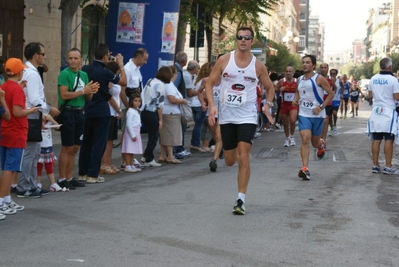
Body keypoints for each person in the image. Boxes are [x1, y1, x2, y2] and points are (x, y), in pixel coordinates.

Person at [205, 26, 275, 215]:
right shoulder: (224, 60)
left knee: (244, 154)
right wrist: (212, 105)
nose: (243, 40)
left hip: (247, 115)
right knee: (229, 160)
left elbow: (270, 88)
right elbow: (209, 84)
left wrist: (267, 104)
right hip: (227, 116)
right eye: (239, 37)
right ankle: (239, 155)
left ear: (252, 41)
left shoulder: (258, 65)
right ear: (236, 40)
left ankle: (240, 199)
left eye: (247, 37)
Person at [78, 43, 127, 184]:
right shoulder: (105, 72)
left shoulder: (86, 69)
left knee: (87, 142)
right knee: (99, 143)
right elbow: (124, 81)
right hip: (101, 109)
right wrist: (121, 65)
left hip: (88, 108)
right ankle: (93, 174)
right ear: (105, 57)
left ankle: (82, 172)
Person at [17, 42, 60, 198]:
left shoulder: (26, 70)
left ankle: (32, 185)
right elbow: (35, 98)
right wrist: (49, 109)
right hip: (31, 115)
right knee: (30, 152)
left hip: (31, 114)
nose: (45, 57)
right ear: (36, 56)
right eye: (43, 54)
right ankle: (24, 186)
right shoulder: (32, 73)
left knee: (34, 152)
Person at [0, 58, 38, 218]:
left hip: (5, 131)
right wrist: (31, 110)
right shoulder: (15, 89)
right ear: (20, 72)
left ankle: (7, 198)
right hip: (16, 132)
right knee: (11, 168)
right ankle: (1, 201)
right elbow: (16, 112)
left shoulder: (4, 86)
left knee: (7, 167)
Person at [57, 48, 99, 190]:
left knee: (75, 147)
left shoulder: (84, 75)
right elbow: (64, 95)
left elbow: (88, 97)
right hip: (68, 112)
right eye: (70, 58)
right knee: (67, 147)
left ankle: (69, 177)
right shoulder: (64, 74)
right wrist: (83, 91)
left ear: (81, 60)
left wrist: (90, 91)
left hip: (80, 112)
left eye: (76, 58)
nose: (73, 61)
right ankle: (62, 178)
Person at [292, 55, 334, 181]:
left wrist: (321, 107)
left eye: (308, 62)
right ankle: (305, 168)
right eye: (303, 62)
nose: (305, 64)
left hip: (317, 115)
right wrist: (295, 100)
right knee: (305, 139)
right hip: (304, 114)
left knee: (315, 143)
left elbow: (331, 94)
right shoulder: (299, 79)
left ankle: (321, 144)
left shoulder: (319, 78)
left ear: (313, 65)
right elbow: (297, 92)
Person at [367, 57, 399, 174]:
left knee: (376, 139)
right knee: (389, 140)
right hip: (388, 112)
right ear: (390, 67)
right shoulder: (393, 80)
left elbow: (370, 96)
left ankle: (375, 165)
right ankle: (388, 166)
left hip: (376, 112)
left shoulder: (373, 78)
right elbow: (397, 97)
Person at [120, 48, 148, 170]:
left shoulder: (137, 69)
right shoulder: (128, 69)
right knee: (127, 132)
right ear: (138, 57)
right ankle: (125, 160)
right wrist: (128, 107)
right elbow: (123, 91)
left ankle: (130, 159)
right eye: (145, 59)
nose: (146, 62)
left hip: (135, 107)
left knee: (134, 132)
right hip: (129, 106)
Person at [140, 66, 169, 167]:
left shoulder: (150, 80)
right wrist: (160, 120)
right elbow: (160, 105)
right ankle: (149, 158)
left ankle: (146, 155)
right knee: (154, 136)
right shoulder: (161, 86)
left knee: (151, 135)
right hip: (152, 112)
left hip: (144, 110)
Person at [158, 65, 186, 164]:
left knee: (165, 135)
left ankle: (162, 155)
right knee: (171, 135)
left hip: (167, 112)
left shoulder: (166, 84)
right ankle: (170, 156)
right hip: (171, 113)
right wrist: (182, 101)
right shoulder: (169, 84)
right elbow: (172, 99)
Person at [100, 61, 124, 175]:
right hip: (109, 111)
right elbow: (110, 97)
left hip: (114, 112)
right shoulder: (110, 81)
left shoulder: (117, 79)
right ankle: (104, 164)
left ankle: (108, 162)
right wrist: (119, 110)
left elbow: (124, 83)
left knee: (111, 141)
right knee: (107, 140)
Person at [37, 115, 63, 192]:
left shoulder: (49, 122)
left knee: (50, 166)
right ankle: (37, 183)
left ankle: (53, 183)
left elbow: (57, 127)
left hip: (48, 147)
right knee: (38, 166)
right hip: (39, 147)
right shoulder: (37, 122)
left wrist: (51, 119)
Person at [173, 51, 191, 159]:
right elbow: (174, 87)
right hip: (177, 104)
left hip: (175, 103)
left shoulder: (173, 69)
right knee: (181, 127)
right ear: (184, 61)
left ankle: (177, 148)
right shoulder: (178, 72)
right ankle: (179, 149)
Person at [275, 66, 298, 147]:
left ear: (293, 73)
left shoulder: (297, 81)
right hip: (284, 105)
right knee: (285, 123)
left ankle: (292, 137)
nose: (288, 73)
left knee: (292, 120)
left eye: (290, 71)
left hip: (293, 105)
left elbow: (301, 90)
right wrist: (279, 89)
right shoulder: (282, 81)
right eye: (286, 71)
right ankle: (287, 138)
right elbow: (274, 89)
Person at [121, 93, 143, 172]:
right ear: (131, 101)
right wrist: (132, 135)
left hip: (136, 131)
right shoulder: (130, 111)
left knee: (132, 150)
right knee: (129, 150)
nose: (137, 103)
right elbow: (128, 124)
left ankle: (131, 164)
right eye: (135, 101)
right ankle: (128, 165)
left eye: (139, 101)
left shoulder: (136, 111)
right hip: (131, 133)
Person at [190, 62, 209, 152]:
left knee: (197, 125)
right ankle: (196, 144)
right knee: (200, 126)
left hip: (193, 104)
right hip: (200, 104)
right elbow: (204, 93)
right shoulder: (205, 81)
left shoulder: (196, 79)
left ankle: (194, 143)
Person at [319, 63, 336, 146]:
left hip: (327, 102)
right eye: (321, 68)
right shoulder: (316, 78)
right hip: (318, 102)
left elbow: (334, 87)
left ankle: (323, 140)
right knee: (319, 122)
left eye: (325, 67)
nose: (323, 69)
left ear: (327, 69)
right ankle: (318, 137)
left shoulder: (331, 79)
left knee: (326, 120)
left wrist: (333, 93)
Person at [329, 69, 341, 135]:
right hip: (329, 100)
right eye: (331, 73)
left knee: (334, 113)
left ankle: (335, 124)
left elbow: (342, 87)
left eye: (334, 73)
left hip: (336, 100)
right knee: (329, 116)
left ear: (336, 74)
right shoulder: (327, 80)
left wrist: (341, 94)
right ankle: (331, 128)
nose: (332, 75)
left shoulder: (339, 81)